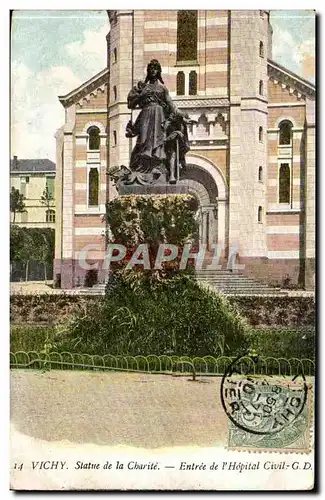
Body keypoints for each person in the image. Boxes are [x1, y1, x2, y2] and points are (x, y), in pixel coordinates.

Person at [126, 59, 190, 184]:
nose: (153, 70)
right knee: (144, 141)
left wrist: (183, 114)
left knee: (158, 142)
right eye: (151, 68)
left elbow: (172, 106)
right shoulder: (142, 87)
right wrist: (139, 95)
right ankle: (143, 169)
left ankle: (157, 167)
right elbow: (131, 104)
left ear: (159, 71)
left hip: (159, 116)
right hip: (145, 115)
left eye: (155, 68)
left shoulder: (163, 89)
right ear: (148, 71)